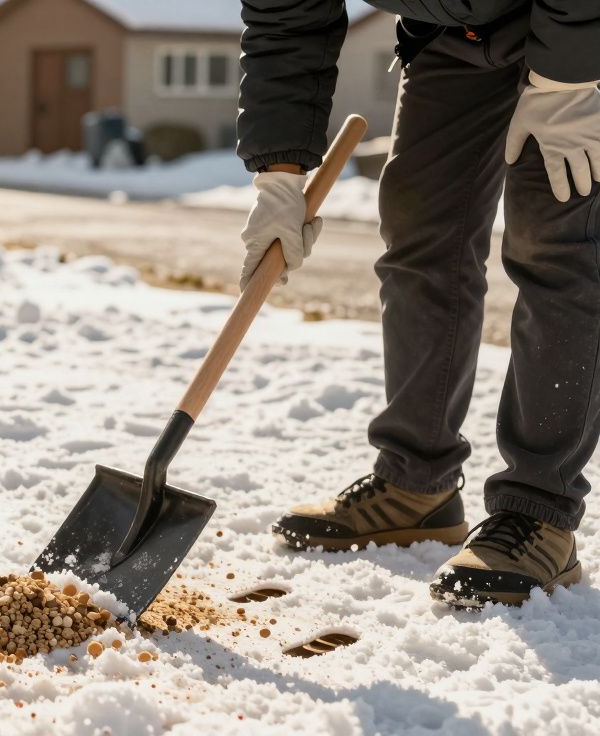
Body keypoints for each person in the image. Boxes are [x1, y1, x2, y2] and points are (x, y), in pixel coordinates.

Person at [237, 0, 600, 607]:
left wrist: (570, 76)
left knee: (553, 246)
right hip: (451, 31)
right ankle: (415, 483)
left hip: (573, 22)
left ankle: (539, 510)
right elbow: (284, 17)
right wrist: (278, 176)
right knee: (419, 232)